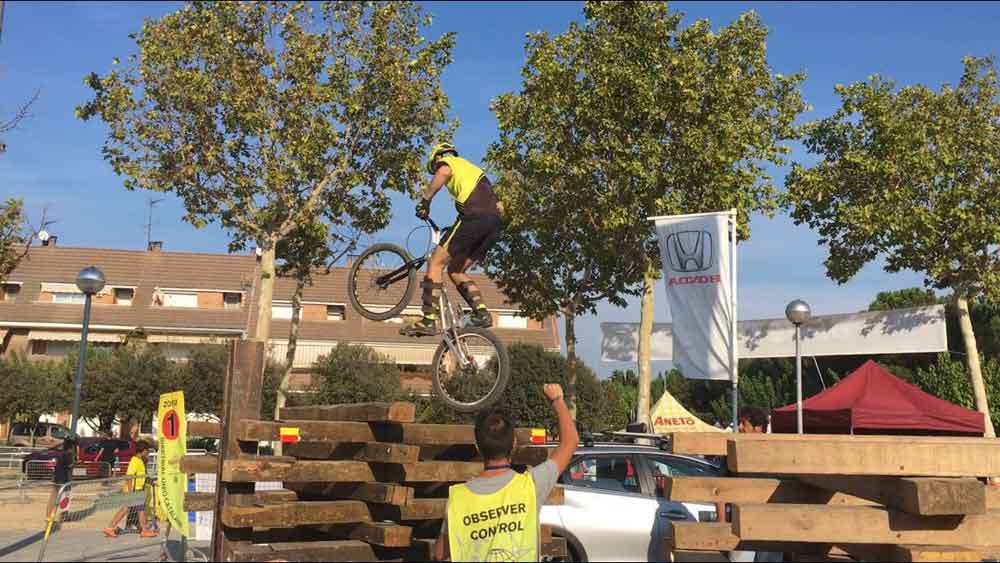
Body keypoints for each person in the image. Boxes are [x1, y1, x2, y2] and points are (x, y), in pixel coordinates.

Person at [433, 384, 579, 562]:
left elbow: (440, 554)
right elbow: (570, 442)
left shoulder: (458, 498)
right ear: (514, 444)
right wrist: (557, 399)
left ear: (478, 447)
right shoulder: (531, 486)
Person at [401, 142, 504, 337]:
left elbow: (443, 173)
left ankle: (429, 320)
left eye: (434, 166)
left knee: (435, 263)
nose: (436, 170)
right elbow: (500, 206)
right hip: (494, 224)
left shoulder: (449, 162)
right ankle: (482, 313)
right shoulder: (474, 170)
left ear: (438, 157)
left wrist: (425, 202)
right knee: (456, 270)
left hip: (474, 217)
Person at [103, 441, 156, 538]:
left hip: (137, 490)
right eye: (147, 451)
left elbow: (141, 477)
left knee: (139, 510)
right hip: (134, 490)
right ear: (143, 451)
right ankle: (110, 528)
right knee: (128, 510)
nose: (148, 453)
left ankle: (144, 530)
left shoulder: (139, 460)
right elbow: (129, 476)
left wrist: (151, 482)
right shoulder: (135, 461)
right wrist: (131, 492)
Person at [46, 435, 77, 521]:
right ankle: (64, 516)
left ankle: (48, 515)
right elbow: (70, 466)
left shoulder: (59, 453)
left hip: (56, 477)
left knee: (53, 497)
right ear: (71, 447)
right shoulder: (69, 454)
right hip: (65, 479)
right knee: (65, 497)